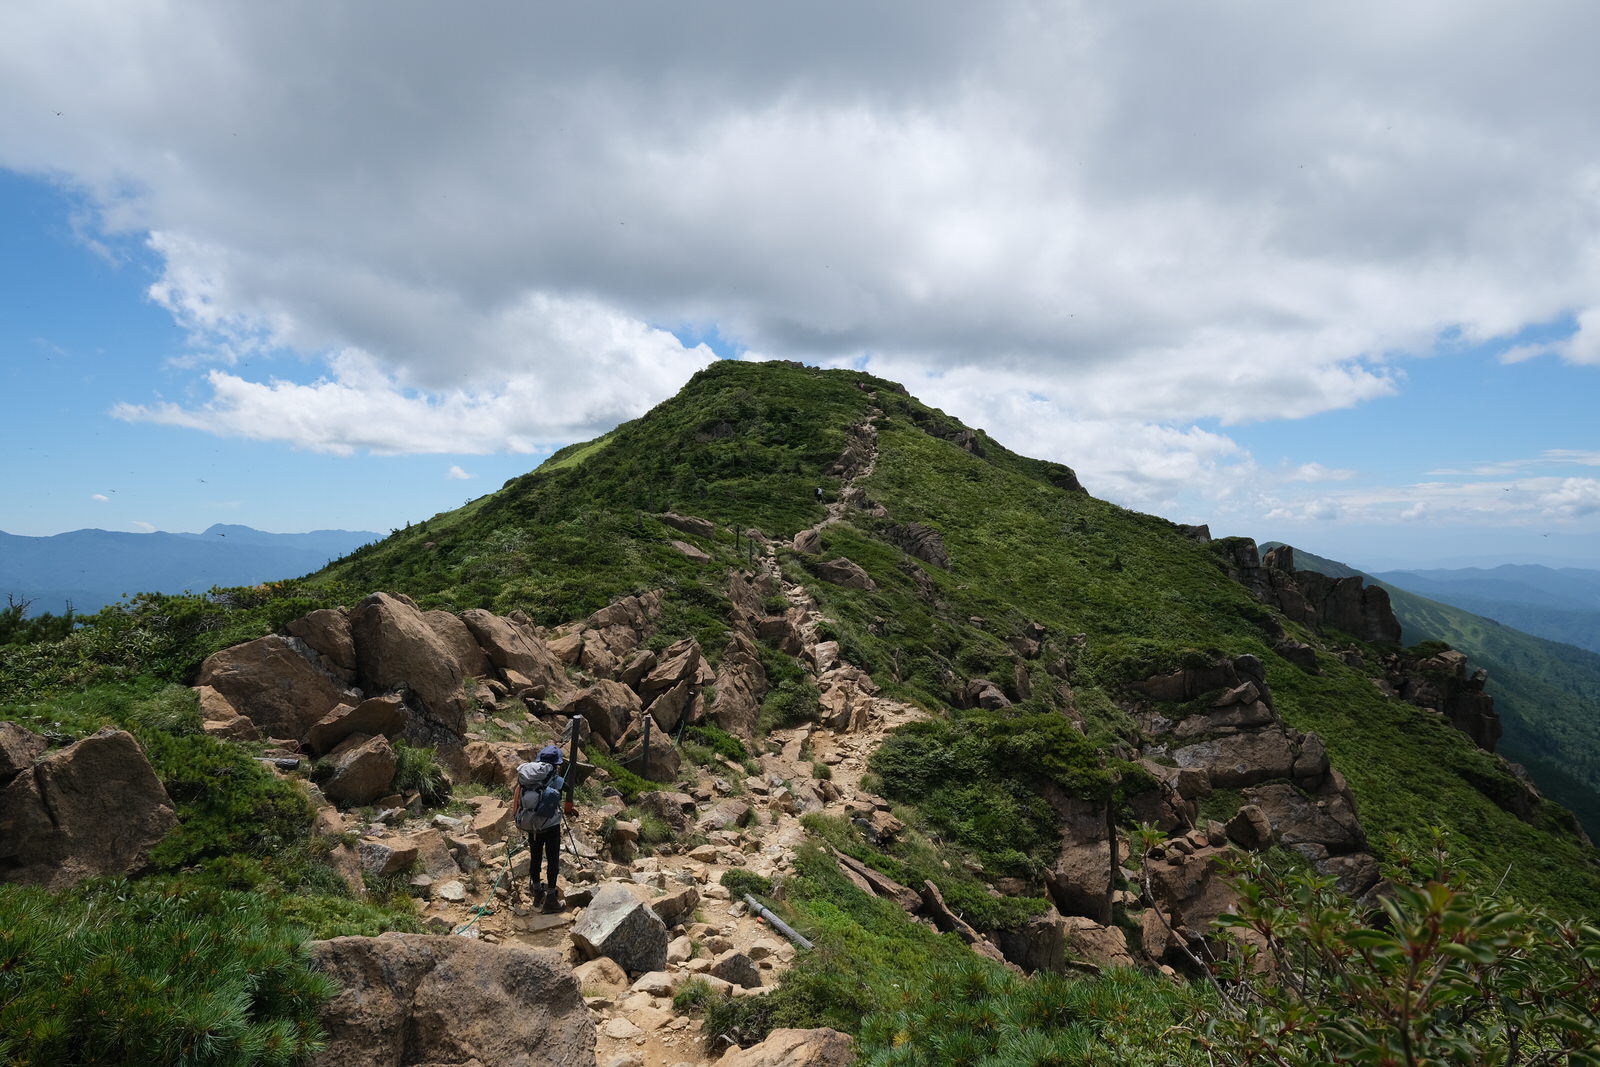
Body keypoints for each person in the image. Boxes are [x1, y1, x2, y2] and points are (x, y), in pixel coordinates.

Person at [513, 744, 568, 911]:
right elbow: (566, 788)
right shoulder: (553, 776)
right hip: (550, 825)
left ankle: (537, 892)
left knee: (535, 856)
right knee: (552, 859)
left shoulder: (526, 776)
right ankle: (551, 898)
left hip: (530, 823)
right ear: (555, 763)